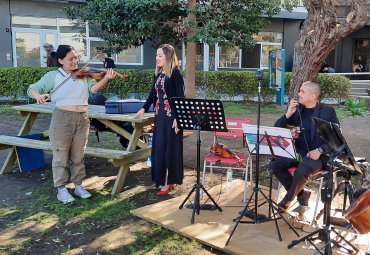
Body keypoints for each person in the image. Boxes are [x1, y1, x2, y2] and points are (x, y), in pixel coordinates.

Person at [27, 44, 116, 203]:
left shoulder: (83, 75)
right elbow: (32, 88)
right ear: (61, 60)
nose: (75, 61)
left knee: (78, 155)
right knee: (60, 155)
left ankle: (78, 185)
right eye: (70, 59)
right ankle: (61, 189)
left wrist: (107, 79)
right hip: (62, 118)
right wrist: (38, 96)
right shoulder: (53, 76)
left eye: (76, 58)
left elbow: (93, 90)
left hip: (82, 117)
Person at [270, 81, 339, 214]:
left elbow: (336, 138)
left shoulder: (327, 112)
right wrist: (288, 114)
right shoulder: (298, 110)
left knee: (301, 170)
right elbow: (277, 129)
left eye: (302, 92)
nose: (299, 94)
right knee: (275, 165)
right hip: (298, 153)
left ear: (312, 96)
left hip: (320, 157)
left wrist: (320, 150)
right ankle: (302, 194)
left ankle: (286, 201)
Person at [135, 44, 185, 196]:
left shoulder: (175, 74)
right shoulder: (159, 74)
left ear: (168, 57)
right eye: (156, 55)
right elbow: (153, 94)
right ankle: (161, 179)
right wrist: (144, 108)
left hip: (172, 118)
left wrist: (178, 118)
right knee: (159, 148)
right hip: (160, 117)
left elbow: (180, 98)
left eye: (160, 56)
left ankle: (168, 182)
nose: (156, 58)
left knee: (170, 150)